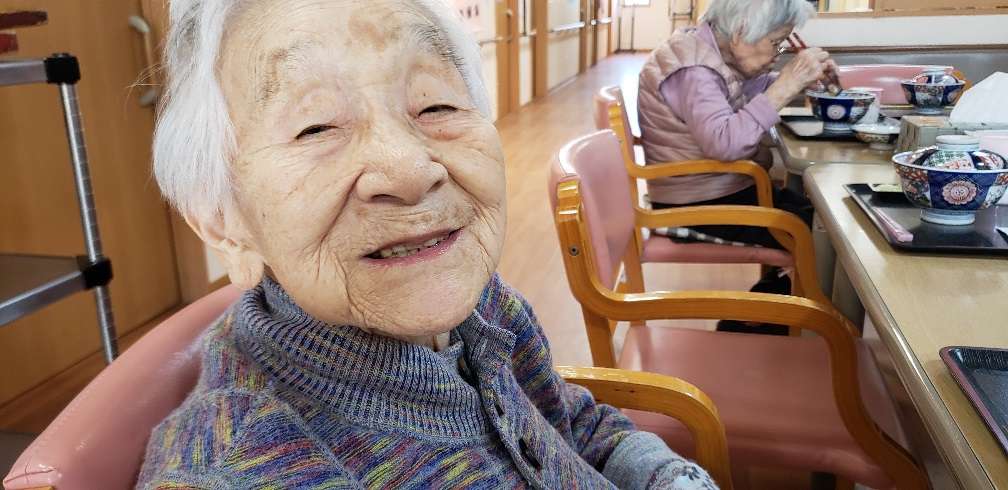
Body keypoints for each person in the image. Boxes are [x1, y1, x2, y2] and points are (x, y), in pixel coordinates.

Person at [136, 1, 718, 488]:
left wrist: (668, 477)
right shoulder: (244, 468)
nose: (410, 169)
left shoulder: (485, 308)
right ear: (222, 222)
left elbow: (570, 423)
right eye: (316, 127)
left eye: (435, 104)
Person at [637, 0, 837, 334]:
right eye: (776, 42)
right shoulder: (694, 70)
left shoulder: (705, 51)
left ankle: (761, 310)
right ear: (742, 30)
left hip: (717, 189)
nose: (778, 53)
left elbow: (738, 93)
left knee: (818, 216)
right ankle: (768, 319)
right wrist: (787, 84)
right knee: (818, 230)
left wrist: (795, 82)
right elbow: (725, 143)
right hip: (697, 203)